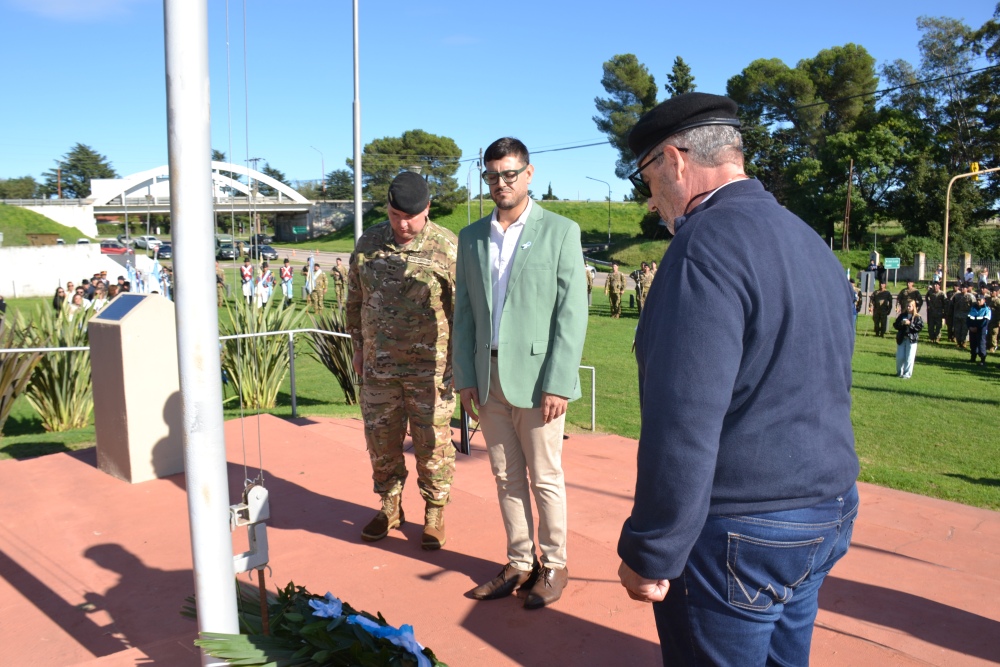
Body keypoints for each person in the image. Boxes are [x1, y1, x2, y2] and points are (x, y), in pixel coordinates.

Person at [616, 93, 859, 665]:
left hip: (741, 527)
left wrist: (653, 549)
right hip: (825, 508)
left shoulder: (702, 246)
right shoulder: (807, 239)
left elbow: (684, 419)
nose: (651, 201)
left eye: (648, 178)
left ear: (675, 161)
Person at [453, 137, 588, 610]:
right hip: (486, 378)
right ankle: (519, 561)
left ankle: (554, 563)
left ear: (528, 174)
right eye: (492, 175)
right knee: (505, 476)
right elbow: (464, 312)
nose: (501, 183)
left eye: (510, 174)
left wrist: (558, 380)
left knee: (545, 477)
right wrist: (464, 375)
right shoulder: (470, 238)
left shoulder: (561, 231)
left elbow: (572, 313)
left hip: (537, 381)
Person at [346, 172, 458, 551]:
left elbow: (464, 312)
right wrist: (359, 347)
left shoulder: (446, 247)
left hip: (432, 371)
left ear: (427, 209)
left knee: (434, 445)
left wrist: (459, 364)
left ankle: (434, 512)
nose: (402, 224)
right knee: (381, 443)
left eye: (410, 216)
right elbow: (354, 301)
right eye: (395, 215)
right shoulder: (369, 243)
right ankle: (390, 507)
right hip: (379, 368)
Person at [894, 299, 923, 378]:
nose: (908, 307)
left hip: (912, 339)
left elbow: (919, 327)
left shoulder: (917, 317)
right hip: (902, 338)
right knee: (900, 357)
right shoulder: (902, 315)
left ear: (914, 307)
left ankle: (907, 374)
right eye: (907, 306)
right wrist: (901, 323)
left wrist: (910, 324)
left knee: (909, 357)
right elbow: (895, 325)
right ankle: (899, 372)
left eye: (910, 306)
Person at [967, 293, 991, 366]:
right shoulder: (973, 308)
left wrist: (977, 328)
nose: (978, 301)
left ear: (984, 300)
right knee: (973, 344)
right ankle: (973, 357)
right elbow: (968, 319)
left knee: (981, 344)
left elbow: (985, 321)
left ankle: (982, 359)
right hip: (972, 329)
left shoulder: (987, 309)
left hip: (981, 330)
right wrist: (970, 327)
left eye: (980, 300)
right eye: (977, 300)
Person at [953, 283, 975, 349]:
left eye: (964, 288)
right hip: (957, 315)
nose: (962, 289)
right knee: (957, 330)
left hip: (966, 316)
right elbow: (953, 304)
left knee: (965, 330)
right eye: (961, 287)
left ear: (967, 289)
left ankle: (964, 342)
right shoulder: (957, 296)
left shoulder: (970, 296)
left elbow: (973, 306)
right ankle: (958, 342)